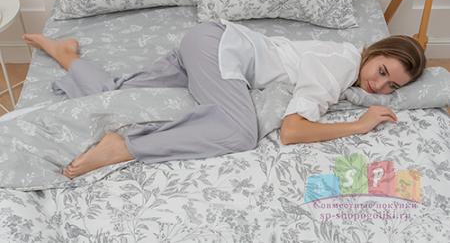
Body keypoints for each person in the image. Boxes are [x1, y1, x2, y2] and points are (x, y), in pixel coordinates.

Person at [22, 19, 426, 179]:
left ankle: (67, 55)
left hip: (209, 40)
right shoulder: (339, 65)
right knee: (238, 131)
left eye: (392, 86)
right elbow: (292, 130)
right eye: (382, 71)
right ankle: (125, 145)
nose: (379, 86)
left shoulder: (346, 61)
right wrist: (359, 124)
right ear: (374, 51)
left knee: (117, 93)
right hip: (221, 51)